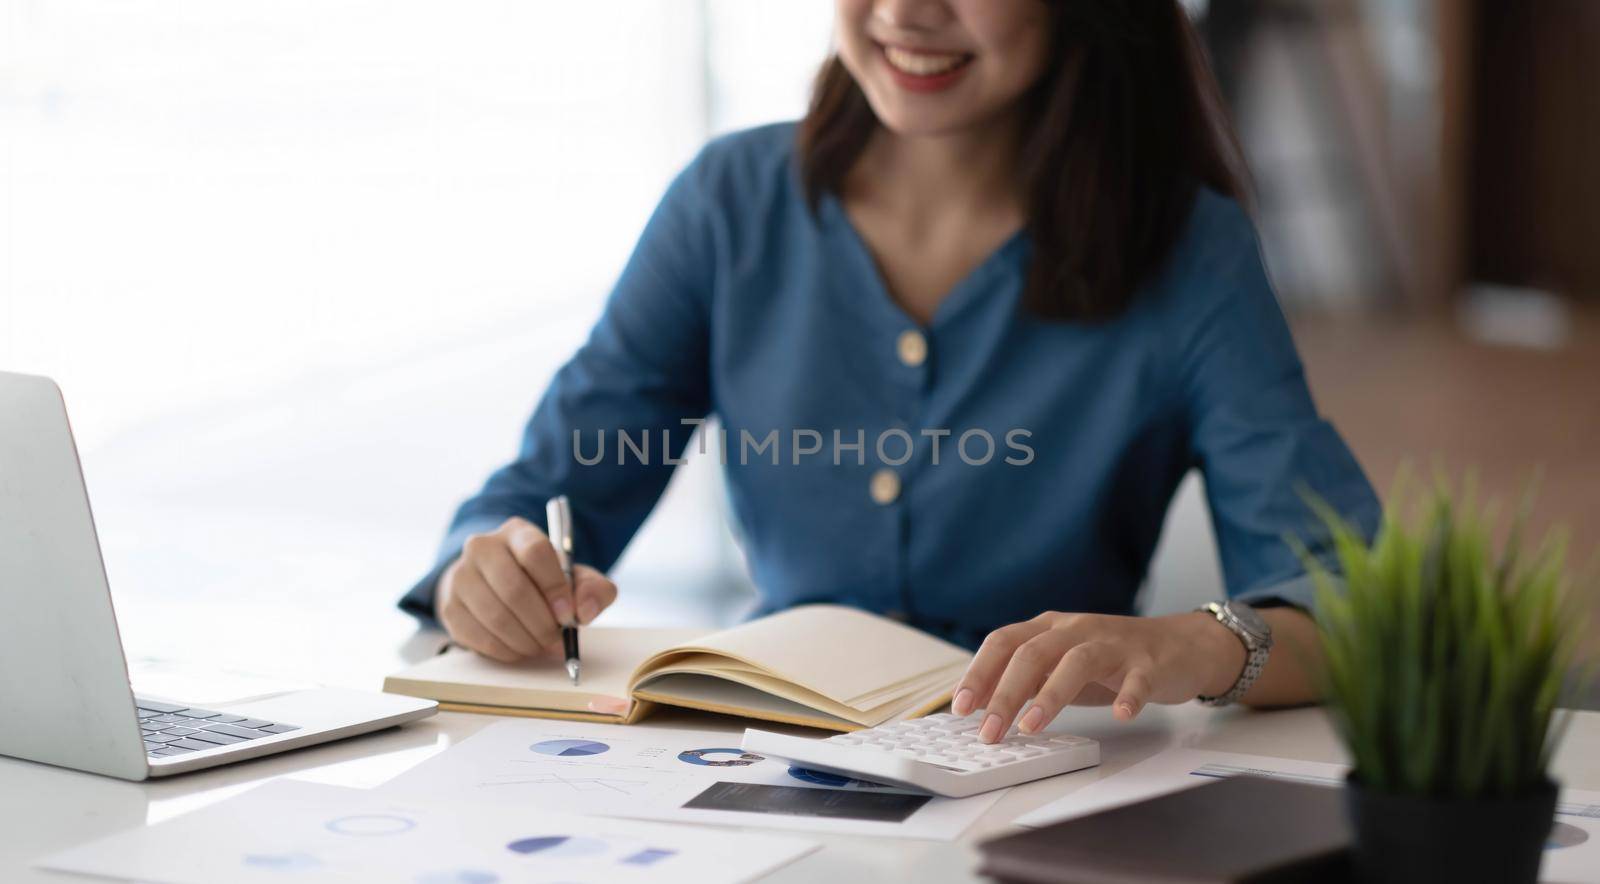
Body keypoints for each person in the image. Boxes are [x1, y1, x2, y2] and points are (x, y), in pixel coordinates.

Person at [399, 0, 1380, 743]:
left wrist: (1191, 643)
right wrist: (480, 578)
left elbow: (1349, 601)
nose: (906, 13)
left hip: (1041, 771)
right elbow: (541, 496)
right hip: (751, 756)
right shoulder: (727, 204)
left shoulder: (1187, 250)